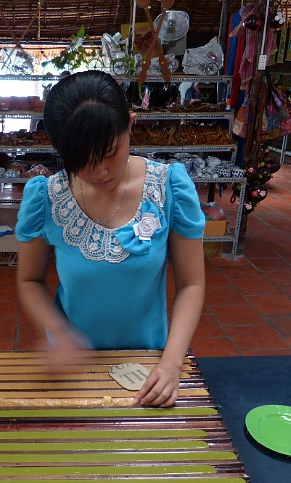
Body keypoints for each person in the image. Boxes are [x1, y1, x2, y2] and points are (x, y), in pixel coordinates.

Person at [16, 70, 205, 408]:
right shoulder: (46, 197)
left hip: (148, 362)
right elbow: (29, 279)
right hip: (73, 367)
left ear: (130, 125)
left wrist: (172, 363)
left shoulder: (168, 187)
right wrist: (58, 332)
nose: (99, 172)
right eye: (82, 162)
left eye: (109, 153)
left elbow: (191, 284)